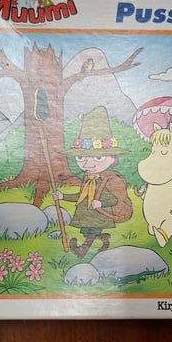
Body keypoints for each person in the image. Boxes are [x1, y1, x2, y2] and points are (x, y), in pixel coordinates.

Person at [53, 106, 132, 258]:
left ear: (112, 159)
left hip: (98, 215)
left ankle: (82, 250)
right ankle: (104, 240)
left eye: (98, 158)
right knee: (87, 232)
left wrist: (101, 203)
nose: (87, 164)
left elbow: (113, 199)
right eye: (81, 157)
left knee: (91, 233)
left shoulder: (107, 180)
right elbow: (80, 195)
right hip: (86, 214)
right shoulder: (87, 178)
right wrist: (63, 196)